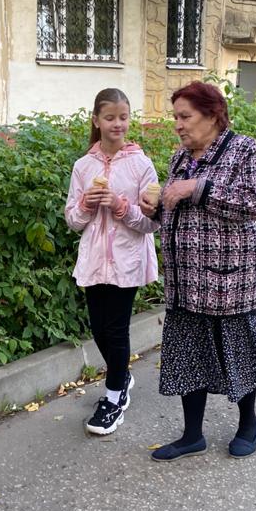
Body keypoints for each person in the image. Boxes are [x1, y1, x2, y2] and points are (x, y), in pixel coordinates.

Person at [138, 81, 256, 461]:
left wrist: (196, 189)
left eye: (185, 117)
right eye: (175, 117)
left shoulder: (244, 149)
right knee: (190, 353)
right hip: (186, 280)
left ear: (213, 115)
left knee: (236, 350)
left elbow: (253, 203)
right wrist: (155, 208)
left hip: (228, 278)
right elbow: (176, 207)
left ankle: (248, 424)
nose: (178, 125)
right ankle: (192, 436)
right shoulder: (180, 158)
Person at [65, 88, 161, 435]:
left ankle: (114, 397)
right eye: (110, 118)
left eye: (123, 117)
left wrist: (120, 205)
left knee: (117, 330)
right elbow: (73, 221)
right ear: (96, 120)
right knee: (98, 328)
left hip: (126, 260)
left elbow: (152, 222)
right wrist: (87, 204)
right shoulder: (83, 166)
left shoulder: (141, 165)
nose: (117, 124)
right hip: (94, 260)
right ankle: (122, 375)